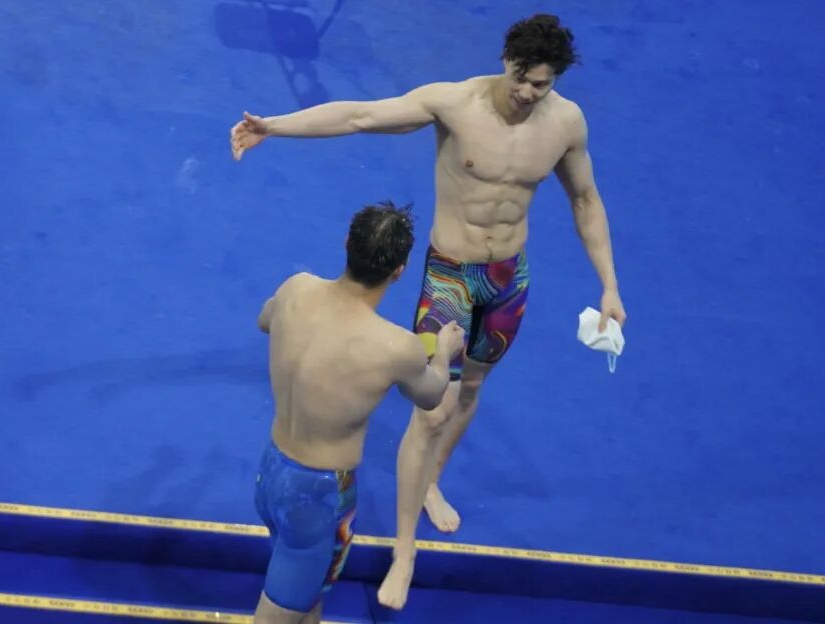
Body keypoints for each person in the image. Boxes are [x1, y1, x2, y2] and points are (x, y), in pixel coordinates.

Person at [234, 13, 627, 610]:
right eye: (522, 77)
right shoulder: (456, 104)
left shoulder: (566, 123)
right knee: (433, 405)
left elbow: (586, 200)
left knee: (471, 390)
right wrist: (274, 126)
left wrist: (610, 285)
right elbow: (361, 116)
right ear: (505, 61)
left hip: (507, 279)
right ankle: (405, 551)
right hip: (451, 276)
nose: (528, 92)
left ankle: (431, 480)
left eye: (541, 84)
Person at [253, 201, 465, 623]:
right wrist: (443, 352)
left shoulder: (296, 287)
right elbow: (431, 396)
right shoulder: (395, 347)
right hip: (318, 500)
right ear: (399, 271)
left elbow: (265, 320)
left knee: (305, 596)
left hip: (271, 474)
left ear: (347, 242)